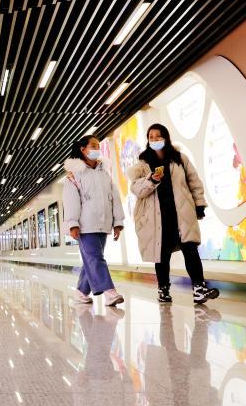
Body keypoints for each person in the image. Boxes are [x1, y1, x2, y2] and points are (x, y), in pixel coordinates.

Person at [127, 123, 220, 305]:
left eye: (158, 136)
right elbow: (137, 190)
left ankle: (199, 289)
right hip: (157, 217)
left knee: (191, 249)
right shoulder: (143, 165)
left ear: (166, 138)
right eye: (151, 137)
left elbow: (194, 181)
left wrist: (199, 204)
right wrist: (151, 180)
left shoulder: (179, 159)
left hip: (182, 213)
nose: (154, 139)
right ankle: (163, 290)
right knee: (161, 254)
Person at [63, 135, 125, 306]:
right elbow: (70, 201)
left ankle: (81, 292)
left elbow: (115, 198)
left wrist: (118, 222)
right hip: (85, 226)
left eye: (98, 146)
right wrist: (72, 223)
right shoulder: (73, 175)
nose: (97, 149)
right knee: (96, 258)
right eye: (93, 146)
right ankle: (110, 292)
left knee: (92, 259)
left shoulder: (105, 173)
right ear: (83, 149)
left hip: (103, 223)